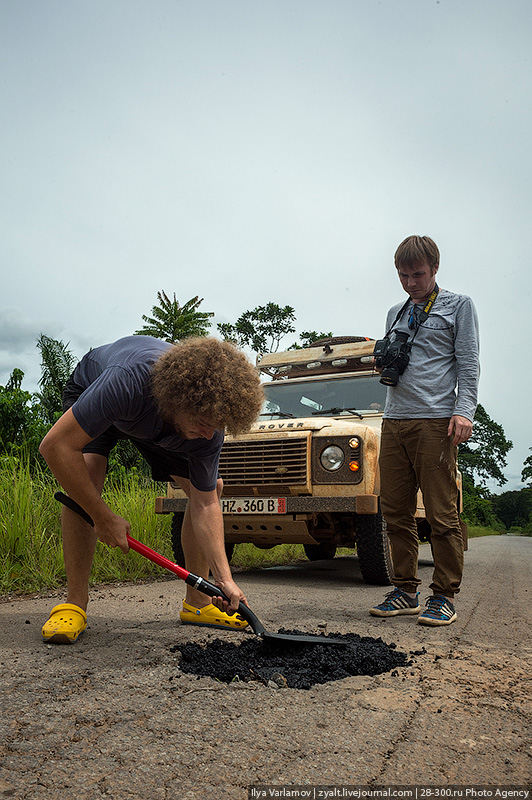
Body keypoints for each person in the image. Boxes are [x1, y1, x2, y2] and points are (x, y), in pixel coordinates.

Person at [39, 335, 263, 644]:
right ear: (178, 400)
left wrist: (225, 579)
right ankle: (75, 603)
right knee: (87, 476)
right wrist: (102, 517)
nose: (207, 433)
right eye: (201, 422)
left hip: (153, 419)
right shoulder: (127, 381)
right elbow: (56, 447)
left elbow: (206, 504)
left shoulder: (206, 430)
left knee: (212, 487)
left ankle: (197, 603)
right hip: (99, 391)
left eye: (216, 426)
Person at [370, 235, 480, 626]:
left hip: (436, 419)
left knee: (441, 512)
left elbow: (468, 364)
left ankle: (444, 594)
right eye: (403, 275)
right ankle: (405, 589)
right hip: (393, 420)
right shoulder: (395, 312)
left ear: (434, 268)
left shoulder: (458, 306)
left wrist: (464, 412)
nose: (411, 283)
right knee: (395, 511)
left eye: (418, 274)